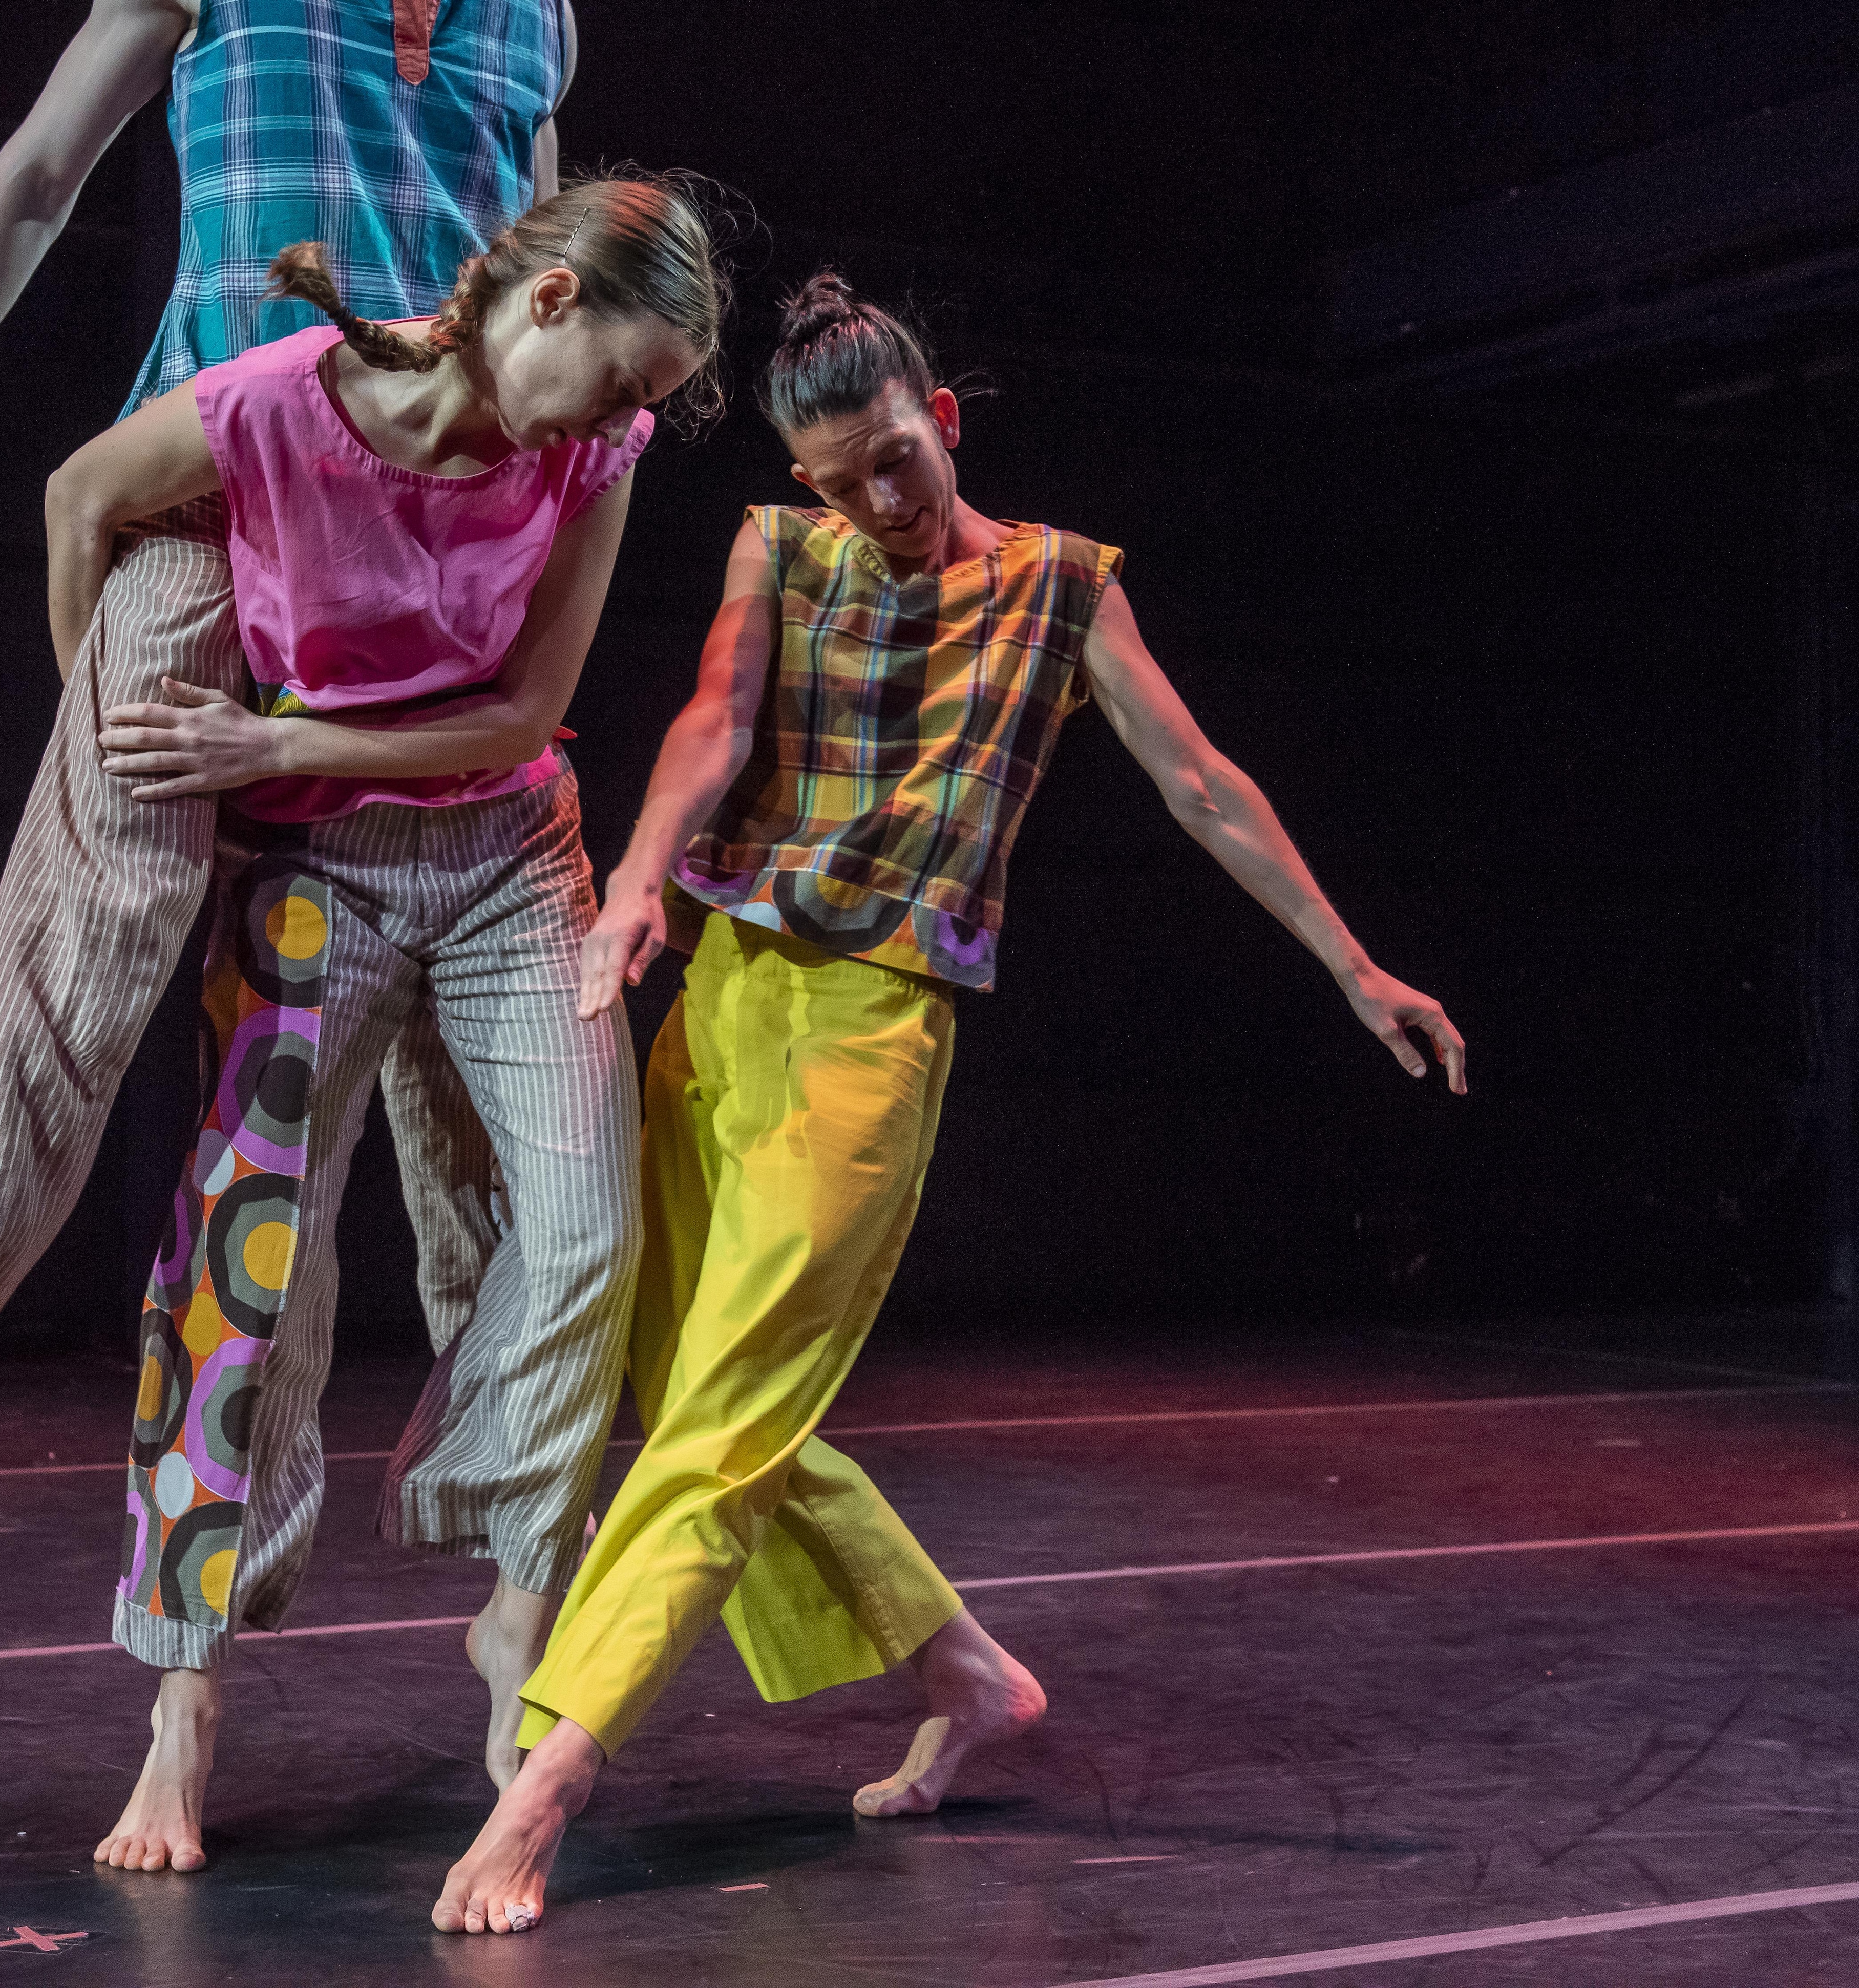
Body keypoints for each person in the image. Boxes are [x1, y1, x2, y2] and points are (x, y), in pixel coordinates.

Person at [431, 276, 1470, 1935]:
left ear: (949, 422)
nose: (879, 502)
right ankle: (960, 1663)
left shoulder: (1065, 586)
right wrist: (636, 880)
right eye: (844, 477)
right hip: (723, 995)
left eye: (899, 461)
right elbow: (710, 714)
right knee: (683, 1373)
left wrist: (1351, 965)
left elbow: (1200, 778)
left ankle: (555, 1765)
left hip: (872, 1026)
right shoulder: (784, 548)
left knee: (725, 1413)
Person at [0, 0, 579, 1733]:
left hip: (430, 519)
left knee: (464, 1047)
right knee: (97, 910)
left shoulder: (539, 18)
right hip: (223, 467)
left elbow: (554, 281)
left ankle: (511, 1526)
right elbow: (46, 170)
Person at [69, 177, 725, 1872]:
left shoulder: (594, 454)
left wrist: (268, 750)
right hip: (316, 876)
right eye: (633, 378)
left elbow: (526, 707)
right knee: (249, 1261)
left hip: (511, 850)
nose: (635, 419)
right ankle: (184, 1698)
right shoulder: (278, 407)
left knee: (587, 1222)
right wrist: (130, 765)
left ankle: (514, 1595)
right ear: (553, 300)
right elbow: (79, 499)